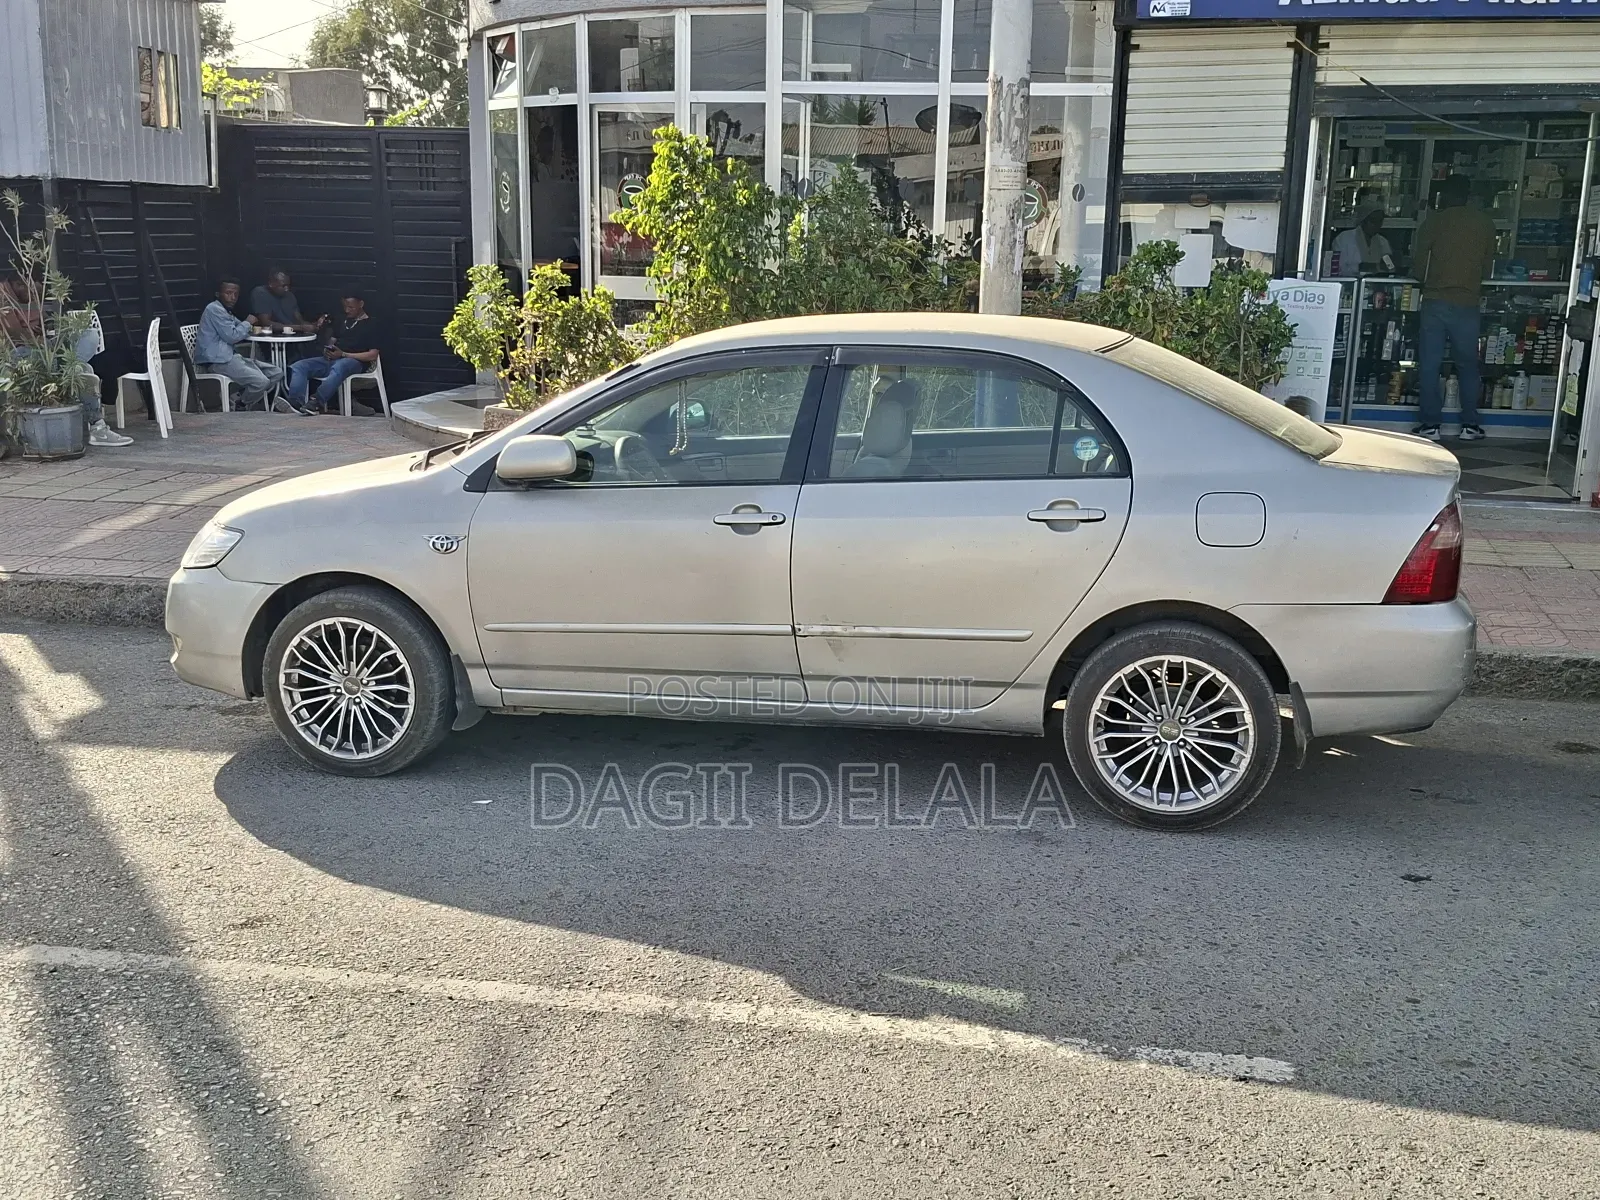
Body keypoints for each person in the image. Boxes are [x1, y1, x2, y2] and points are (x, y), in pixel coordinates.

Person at [1412, 174, 1497, 443]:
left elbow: (1418, 267)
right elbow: (1488, 268)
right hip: (1467, 304)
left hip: (1435, 302)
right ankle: (1470, 425)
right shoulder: (1484, 223)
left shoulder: (1433, 222)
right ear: (1467, 195)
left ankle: (1430, 425)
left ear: (1445, 195)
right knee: (1468, 366)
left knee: (1430, 365)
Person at [1, 275, 131, 448]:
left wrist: (50, 327)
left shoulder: (29, 295)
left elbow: (45, 322)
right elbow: (16, 336)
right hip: (21, 353)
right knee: (83, 369)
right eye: (33, 291)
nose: (35, 296)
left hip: (46, 348)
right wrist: (38, 339)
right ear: (21, 283)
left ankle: (66, 371)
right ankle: (97, 426)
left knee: (89, 334)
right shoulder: (4, 295)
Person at [195, 278, 286, 412]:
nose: (233, 298)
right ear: (218, 294)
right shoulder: (214, 309)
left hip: (231, 357)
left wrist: (249, 326)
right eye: (228, 293)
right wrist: (248, 322)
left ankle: (236, 398)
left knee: (276, 373)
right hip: (218, 360)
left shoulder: (226, 311)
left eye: (236, 294)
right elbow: (233, 336)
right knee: (261, 382)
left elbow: (239, 326)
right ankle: (241, 404)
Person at [286, 290, 379, 415]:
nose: (347, 310)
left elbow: (373, 355)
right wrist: (328, 349)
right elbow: (332, 342)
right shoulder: (342, 320)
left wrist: (344, 354)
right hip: (333, 359)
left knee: (340, 366)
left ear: (361, 304)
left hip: (355, 362)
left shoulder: (372, 325)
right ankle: (295, 404)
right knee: (300, 366)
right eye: (345, 307)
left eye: (351, 307)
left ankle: (316, 402)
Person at [1331, 194, 1394, 278]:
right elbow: (1338, 269)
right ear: (1363, 220)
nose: (1377, 225)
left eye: (1380, 221)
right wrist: (1361, 267)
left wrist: (1388, 265)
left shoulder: (1383, 242)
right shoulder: (1343, 239)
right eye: (1373, 221)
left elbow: (1390, 267)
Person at [249, 269, 324, 334]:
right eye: (283, 286)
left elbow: (299, 320)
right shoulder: (260, 293)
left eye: (288, 286)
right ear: (271, 284)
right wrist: (300, 328)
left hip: (293, 337)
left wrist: (312, 326)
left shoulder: (289, 296)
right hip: (271, 338)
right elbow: (265, 323)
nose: (287, 289)